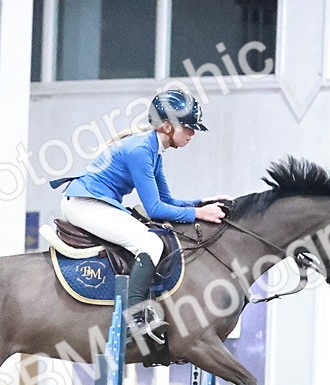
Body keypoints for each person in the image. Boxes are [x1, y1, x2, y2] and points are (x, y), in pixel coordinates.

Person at [51, 89, 229, 342]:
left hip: (96, 202)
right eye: (188, 128)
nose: (193, 134)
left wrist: (200, 202)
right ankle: (132, 316)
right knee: (150, 242)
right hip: (84, 204)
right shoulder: (140, 151)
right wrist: (198, 213)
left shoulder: (153, 151)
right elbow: (155, 210)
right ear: (167, 126)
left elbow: (166, 201)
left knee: (152, 236)